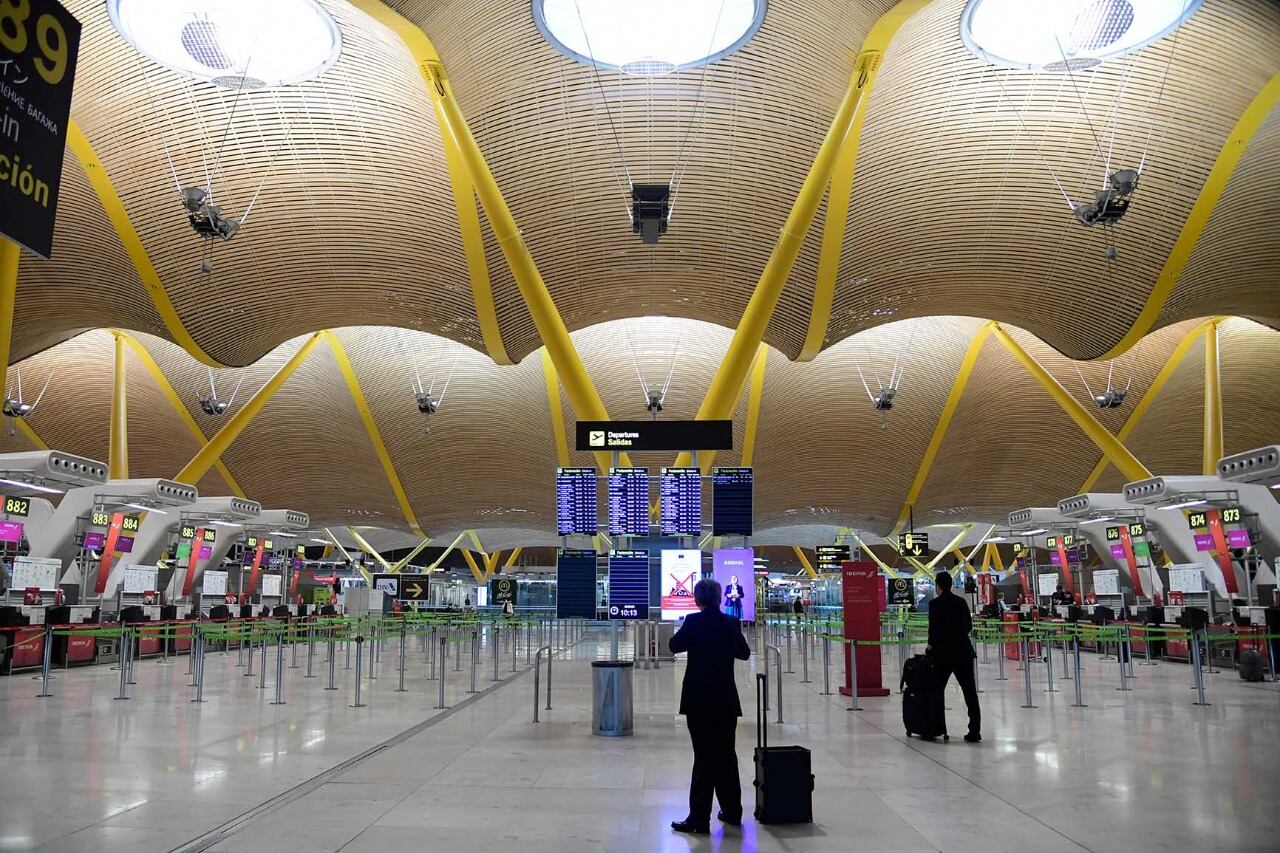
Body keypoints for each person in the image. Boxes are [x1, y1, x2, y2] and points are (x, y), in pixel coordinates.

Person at [668, 578, 751, 835]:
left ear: (697, 599)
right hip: (725, 699)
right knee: (726, 755)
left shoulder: (693, 622)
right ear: (719, 598)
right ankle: (732, 811)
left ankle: (699, 818)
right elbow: (744, 653)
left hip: (698, 700)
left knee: (703, 757)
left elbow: (674, 645)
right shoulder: (730, 622)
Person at [926, 571, 981, 743]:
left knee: (936, 690)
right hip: (963, 652)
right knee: (969, 691)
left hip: (943, 654)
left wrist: (930, 647)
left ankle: (936, 727)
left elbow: (933, 630)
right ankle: (975, 730)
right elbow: (968, 626)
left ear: (938, 586)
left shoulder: (934, 604)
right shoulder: (961, 602)